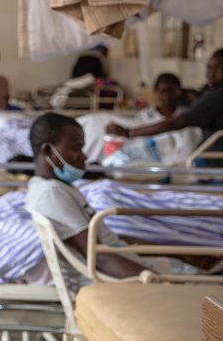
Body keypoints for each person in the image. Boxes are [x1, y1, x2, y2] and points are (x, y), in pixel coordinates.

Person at [27, 113, 221, 278]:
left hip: (130, 265)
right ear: (47, 151)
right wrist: (161, 284)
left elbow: (112, 240)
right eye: (76, 148)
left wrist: (181, 254)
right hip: (125, 281)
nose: (84, 156)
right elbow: (100, 257)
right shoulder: (52, 195)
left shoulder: (53, 188)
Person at [107, 49, 223, 159]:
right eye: (209, 68)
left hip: (209, 158)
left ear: (178, 92)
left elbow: (176, 123)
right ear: (156, 92)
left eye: (219, 69)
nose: (211, 74)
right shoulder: (145, 116)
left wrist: (128, 132)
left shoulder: (215, 96)